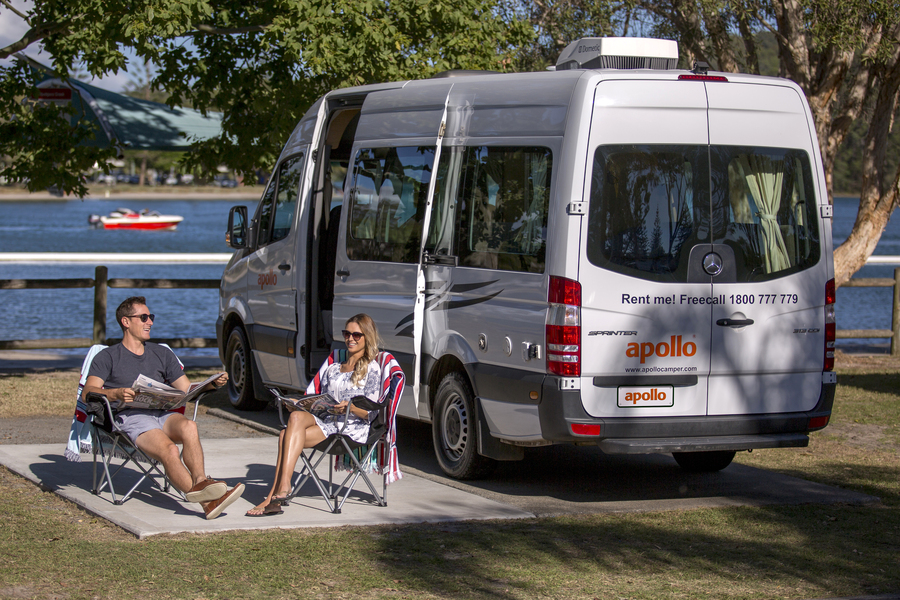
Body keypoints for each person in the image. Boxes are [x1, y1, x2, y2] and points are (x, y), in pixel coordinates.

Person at [82, 296, 245, 520]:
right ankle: (208, 501)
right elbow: (88, 391)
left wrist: (210, 383)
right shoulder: (108, 356)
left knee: (189, 426)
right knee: (169, 450)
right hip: (131, 418)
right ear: (126, 322)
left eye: (151, 317)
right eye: (144, 317)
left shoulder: (162, 353)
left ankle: (201, 482)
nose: (150, 322)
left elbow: (186, 388)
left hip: (162, 413)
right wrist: (114, 393)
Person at [246, 313, 383, 516]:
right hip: (326, 421)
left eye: (356, 335)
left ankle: (272, 498)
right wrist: (299, 404)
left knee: (285, 435)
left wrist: (350, 408)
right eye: (347, 334)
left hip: (349, 428)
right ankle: (282, 488)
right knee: (295, 416)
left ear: (367, 337)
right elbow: (320, 399)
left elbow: (371, 412)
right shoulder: (333, 368)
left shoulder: (372, 369)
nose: (350, 339)